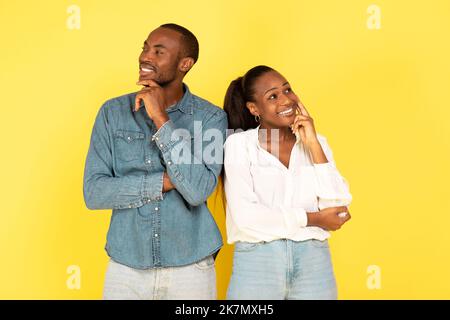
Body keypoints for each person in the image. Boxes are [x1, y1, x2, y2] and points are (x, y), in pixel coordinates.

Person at [83, 23, 227, 300]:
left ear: (185, 63)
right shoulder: (112, 112)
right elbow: (94, 192)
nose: (145, 57)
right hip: (126, 266)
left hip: (191, 266)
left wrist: (161, 118)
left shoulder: (210, 118)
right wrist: (165, 181)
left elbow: (197, 192)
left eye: (158, 52)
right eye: (145, 48)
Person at [223, 65, 352, 300]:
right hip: (258, 263)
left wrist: (313, 143)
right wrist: (313, 219)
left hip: (314, 262)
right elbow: (245, 218)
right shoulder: (239, 145)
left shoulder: (317, 142)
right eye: (272, 96)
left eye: (287, 90)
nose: (286, 100)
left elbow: (338, 207)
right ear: (254, 108)